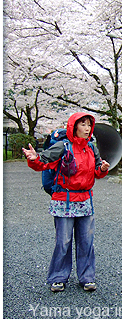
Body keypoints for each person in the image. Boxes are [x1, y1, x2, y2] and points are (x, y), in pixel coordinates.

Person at [22, 113, 110, 292]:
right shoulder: (63, 146)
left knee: (86, 241)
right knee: (63, 241)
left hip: (85, 200)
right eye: (83, 125)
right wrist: (34, 158)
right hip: (64, 200)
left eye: (88, 125)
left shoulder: (91, 148)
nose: (87, 129)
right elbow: (43, 162)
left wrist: (102, 169)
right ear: (74, 127)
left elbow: (96, 172)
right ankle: (58, 277)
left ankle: (87, 277)